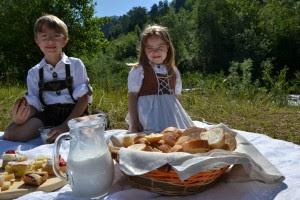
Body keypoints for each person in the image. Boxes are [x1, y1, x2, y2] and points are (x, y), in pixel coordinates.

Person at [4, 14, 92, 143]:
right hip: (48, 114)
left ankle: (69, 129)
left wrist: (65, 126)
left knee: (88, 130)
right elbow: (35, 105)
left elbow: (83, 98)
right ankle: (54, 132)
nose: (50, 41)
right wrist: (21, 119)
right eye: (44, 37)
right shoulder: (33, 73)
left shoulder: (75, 64)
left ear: (65, 40)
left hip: (75, 113)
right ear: (37, 41)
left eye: (56, 36)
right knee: (11, 135)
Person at [127, 24, 194, 133]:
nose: (155, 52)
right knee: (152, 141)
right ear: (144, 50)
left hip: (171, 117)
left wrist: (180, 116)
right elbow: (132, 97)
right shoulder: (139, 70)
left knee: (175, 138)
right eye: (150, 48)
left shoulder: (173, 71)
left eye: (160, 47)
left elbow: (177, 98)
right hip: (148, 118)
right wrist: (134, 123)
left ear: (168, 47)